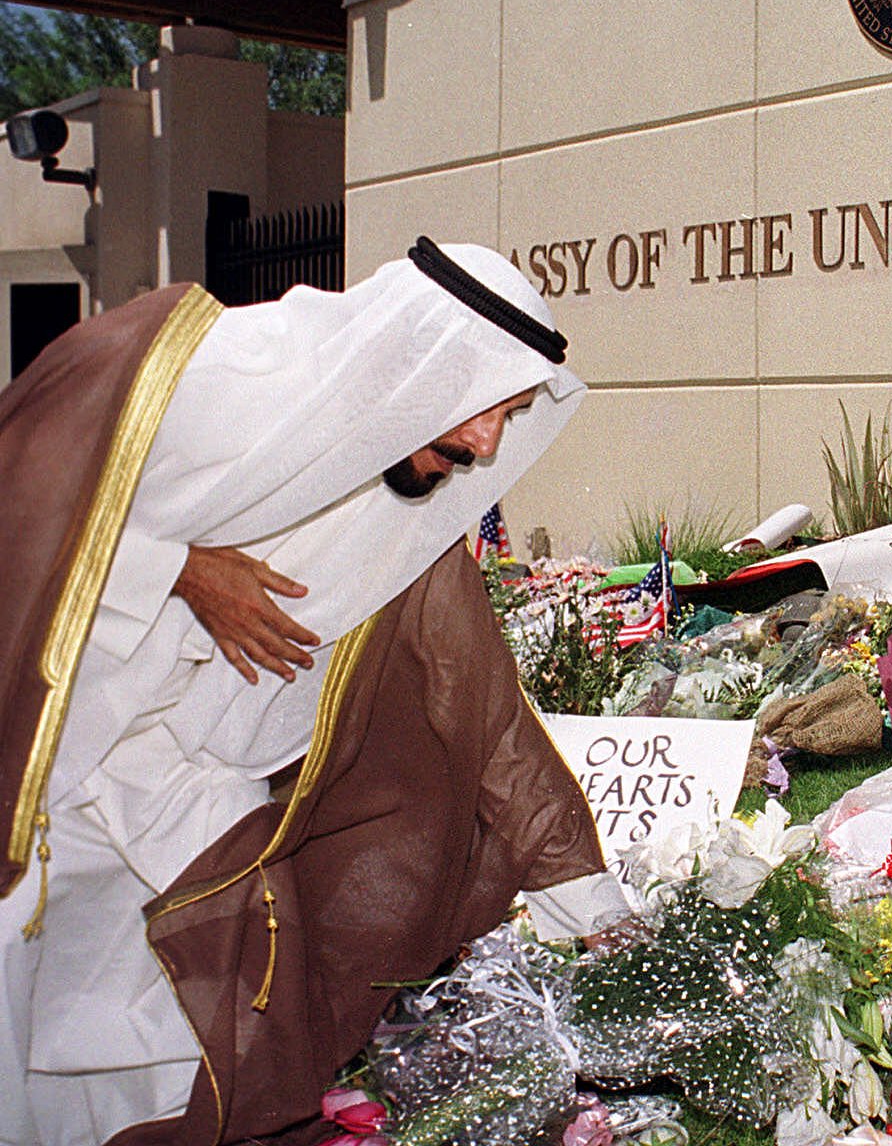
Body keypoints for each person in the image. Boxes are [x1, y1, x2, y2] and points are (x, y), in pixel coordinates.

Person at [0, 239, 628, 1145]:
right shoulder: (195, 375)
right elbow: (21, 497)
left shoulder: (406, 525)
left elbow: (487, 718)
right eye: (486, 406)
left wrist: (598, 912)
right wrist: (178, 571)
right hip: (38, 767)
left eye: (514, 416)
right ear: (422, 364)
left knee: (193, 1047)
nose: (485, 446)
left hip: (183, 802)